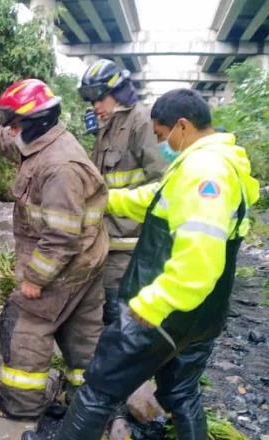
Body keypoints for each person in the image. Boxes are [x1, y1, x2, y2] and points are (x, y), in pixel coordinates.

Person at [49, 89, 260, 439]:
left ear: (181, 126)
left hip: (165, 313)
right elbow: (154, 198)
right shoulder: (210, 164)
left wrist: (151, 304)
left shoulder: (206, 172)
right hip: (204, 315)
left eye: (162, 135)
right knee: (181, 391)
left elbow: (200, 259)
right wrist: (103, 201)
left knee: (99, 388)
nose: (162, 143)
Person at [0, 79, 109, 419]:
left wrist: (35, 279)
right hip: (87, 261)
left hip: (64, 266)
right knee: (83, 336)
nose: (10, 130)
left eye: (15, 123)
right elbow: (4, 140)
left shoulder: (58, 167)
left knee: (26, 328)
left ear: (34, 123)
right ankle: (86, 400)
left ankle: (22, 405)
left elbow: (61, 236)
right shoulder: (44, 144)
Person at [78, 58, 165, 325]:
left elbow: (163, 183)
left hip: (129, 243)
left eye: (100, 99)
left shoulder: (142, 123)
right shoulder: (107, 127)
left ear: (117, 93)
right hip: (105, 238)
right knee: (103, 310)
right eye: (91, 100)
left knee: (118, 314)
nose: (95, 106)